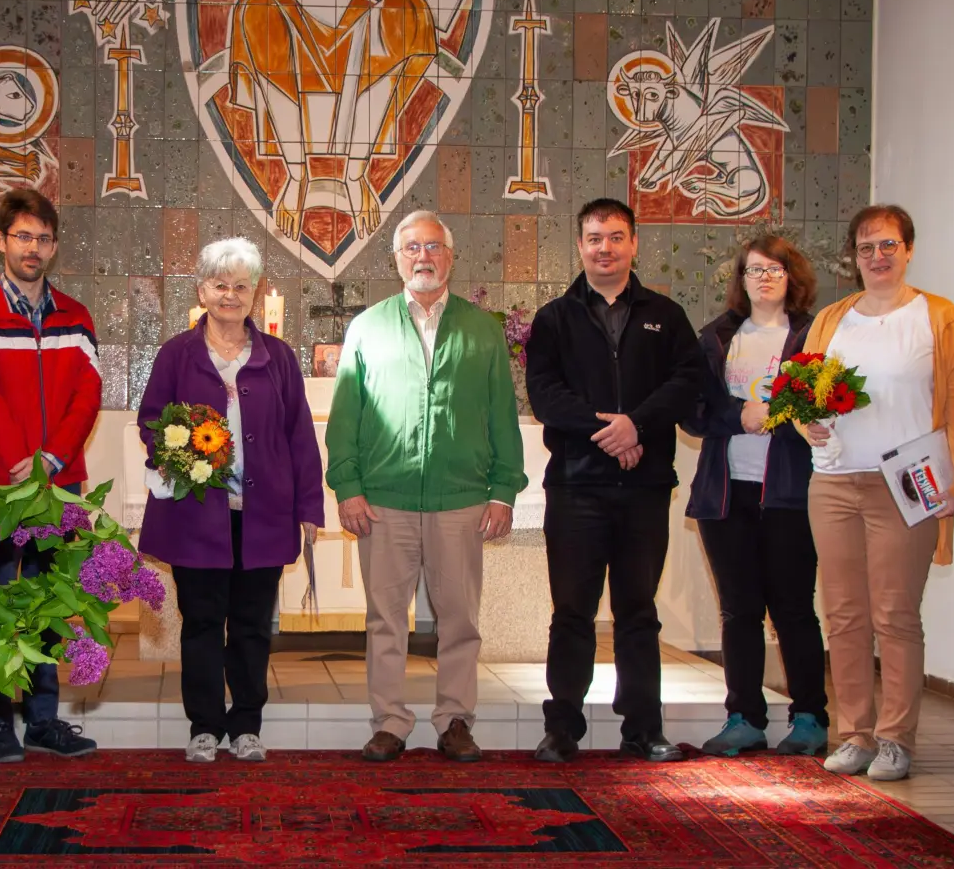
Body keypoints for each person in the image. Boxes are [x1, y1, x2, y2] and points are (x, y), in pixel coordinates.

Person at [326, 209, 526, 763]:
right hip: (384, 500)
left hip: (460, 500)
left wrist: (503, 490)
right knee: (385, 621)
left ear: (451, 257)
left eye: (434, 246)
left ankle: (455, 720)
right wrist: (348, 486)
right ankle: (390, 722)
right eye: (412, 247)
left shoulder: (482, 329)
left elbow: (502, 416)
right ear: (397, 259)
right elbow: (345, 418)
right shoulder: (367, 327)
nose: (423, 256)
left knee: (460, 620)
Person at [525, 198, 703, 764]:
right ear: (580, 246)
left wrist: (638, 425)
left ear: (634, 244)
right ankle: (562, 728)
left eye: (616, 237)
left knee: (638, 612)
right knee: (571, 613)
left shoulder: (665, 315)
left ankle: (643, 728)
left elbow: (687, 382)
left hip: (644, 489)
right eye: (595, 238)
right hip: (576, 487)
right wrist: (610, 432)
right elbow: (545, 395)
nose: (605, 248)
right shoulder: (554, 318)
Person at [804, 204, 954, 782]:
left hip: (907, 485)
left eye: (888, 245)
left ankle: (896, 740)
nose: (877, 256)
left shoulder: (938, 317)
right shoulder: (831, 320)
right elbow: (803, 394)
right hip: (833, 482)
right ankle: (855, 734)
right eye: (866, 247)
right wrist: (807, 423)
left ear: (908, 250)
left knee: (895, 614)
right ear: (853, 257)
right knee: (843, 614)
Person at [137, 238, 324, 763]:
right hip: (197, 516)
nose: (230, 295)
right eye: (220, 285)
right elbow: (151, 421)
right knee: (200, 622)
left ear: (254, 293)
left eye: (241, 286)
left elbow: (300, 436)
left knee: (250, 625)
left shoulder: (277, 358)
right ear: (202, 291)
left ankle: (245, 724)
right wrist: (179, 452)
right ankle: (204, 725)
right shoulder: (176, 354)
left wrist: (309, 507)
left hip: (262, 516)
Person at [0, 188, 101, 762]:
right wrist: (23, 467)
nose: (32, 248)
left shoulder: (76, 317)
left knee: (48, 598)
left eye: (42, 238)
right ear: (2, 241)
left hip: (58, 482)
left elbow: (88, 394)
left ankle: (42, 720)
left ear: (54, 246)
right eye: (22, 237)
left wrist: (52, 460)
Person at [681, 235, 828, 757]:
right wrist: (738, 415)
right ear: (740, 280)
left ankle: (810, 717)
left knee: (793, 609)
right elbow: (693, 411)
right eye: (754, 270)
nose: (764, 278)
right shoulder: (717, 336)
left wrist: (781, 417)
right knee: (739, 610)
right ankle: (744, 717)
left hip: (790, 493)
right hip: (726, 494)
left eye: (774, 269)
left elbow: (829, 406)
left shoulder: (814, 335)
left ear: (792, 276)